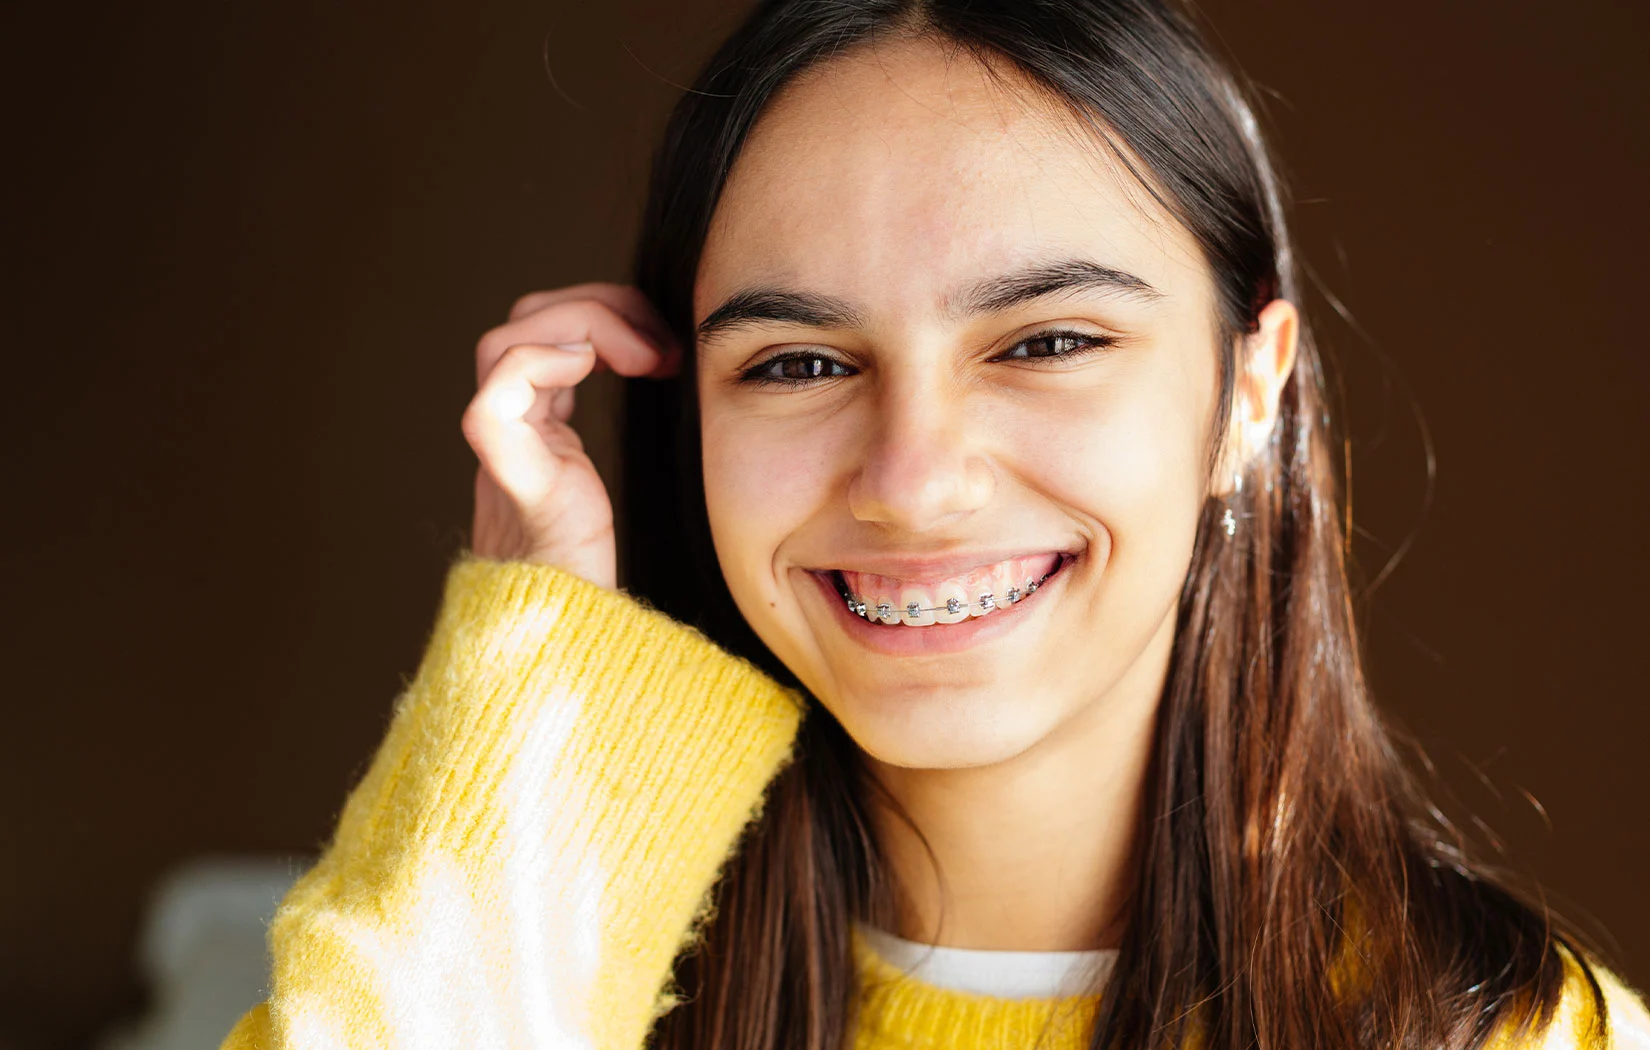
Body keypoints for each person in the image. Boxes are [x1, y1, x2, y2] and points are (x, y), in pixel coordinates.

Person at [220, 1, 1650, 1047]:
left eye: (1042, 341)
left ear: (1245, 395)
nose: (908, 477)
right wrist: (535, 679)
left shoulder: (1507, 1034)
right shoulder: (546, 986)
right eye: (795, 363)